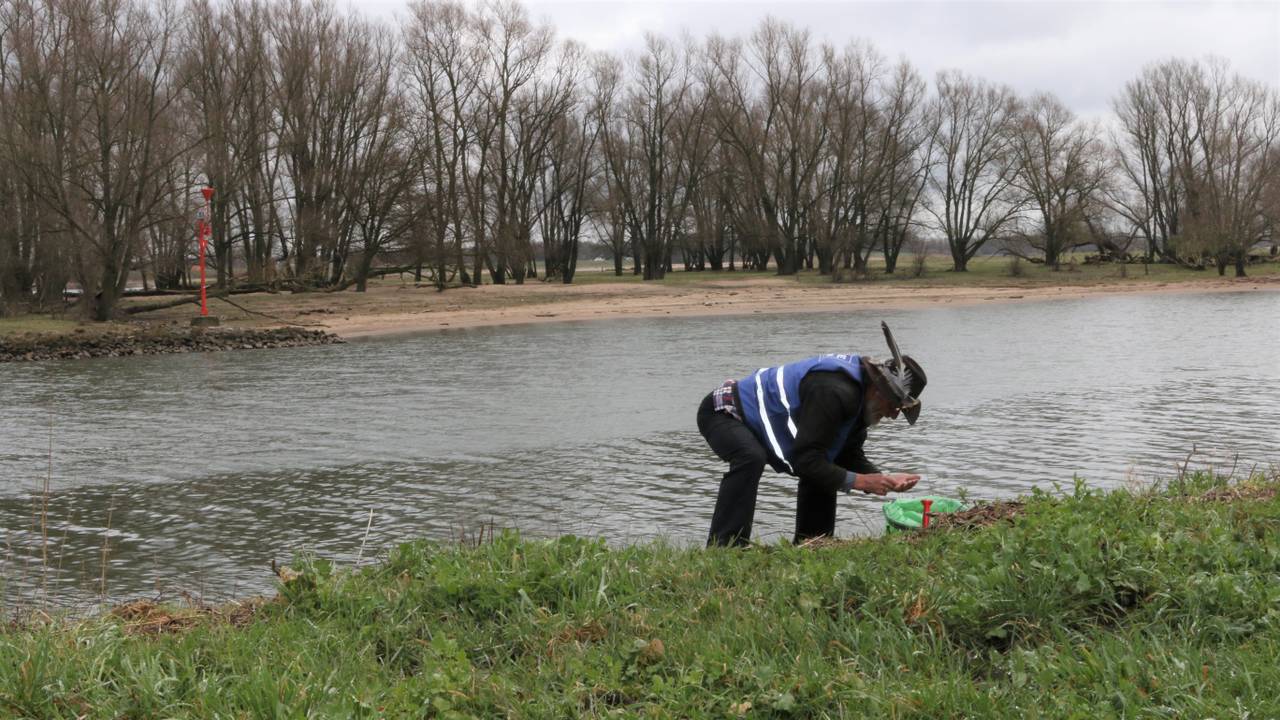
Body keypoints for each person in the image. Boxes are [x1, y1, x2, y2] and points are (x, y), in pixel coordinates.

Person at [696, 322, 928, 547]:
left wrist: (882, 479)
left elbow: (847, 455)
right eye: (894, 406)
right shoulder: (833, 392)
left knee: (827, 462)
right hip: (724, 411)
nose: (893, 415)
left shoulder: (861, 401)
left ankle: (812, 545)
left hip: (753, 420)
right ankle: (725, 548)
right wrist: (861, 481)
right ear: (879, 389)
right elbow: (805, 460)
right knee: (750, 457)